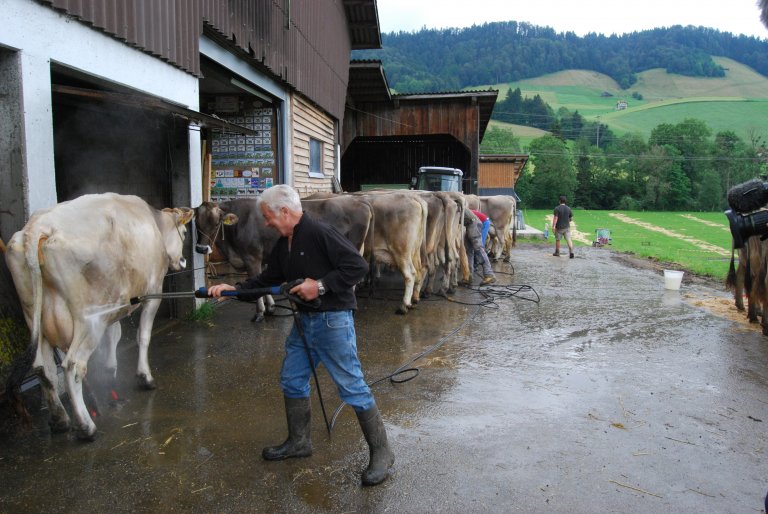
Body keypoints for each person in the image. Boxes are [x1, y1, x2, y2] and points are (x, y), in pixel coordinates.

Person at [208, 185, 394, 487]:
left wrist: (319, 286)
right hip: (305, 322)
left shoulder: (320, 233)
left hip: (332, 322)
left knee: (352, 387)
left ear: (284, 211)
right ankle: (299, 442)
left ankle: (382, 453)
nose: (267, 223)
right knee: (292, 379)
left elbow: (356, 267)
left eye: (268, 217)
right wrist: (234, 291)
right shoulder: (285, 242)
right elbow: (269, 279)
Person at [462, 209, 496, 285]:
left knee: (478, 248)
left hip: (476, 223)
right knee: (469, 250)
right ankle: (468, 276)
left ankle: (489, 274)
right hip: (470, 223)